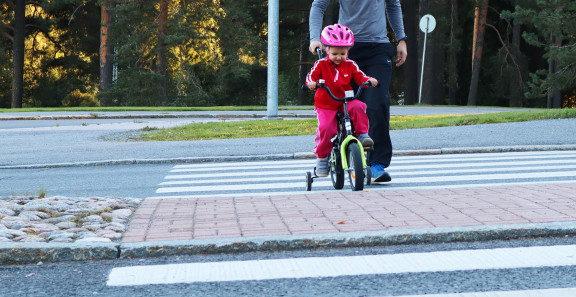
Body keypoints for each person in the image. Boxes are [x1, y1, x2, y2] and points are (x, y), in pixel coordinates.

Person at [309, 0, 407, 183]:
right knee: (343, 104)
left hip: (378, 48)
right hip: (345, 48)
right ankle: (346, 156)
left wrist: (401, 39)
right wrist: (315, 38)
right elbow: (318, 5)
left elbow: (393, 5)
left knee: (377, 104)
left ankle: (376, 163)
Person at [306, 24, 378, 177]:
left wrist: (368, 80)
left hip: (344, 100)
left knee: (358, 106)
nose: (339, 57)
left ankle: (362, 135)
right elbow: (311, 76)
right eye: (335, 53)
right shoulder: (321, 64)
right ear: (327, 51)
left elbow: (360, 76)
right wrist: (311, 83)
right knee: (327, 129)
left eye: (343, 53)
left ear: (348, 52)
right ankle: (322, 157)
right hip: (326, 104)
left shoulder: (350, 64)